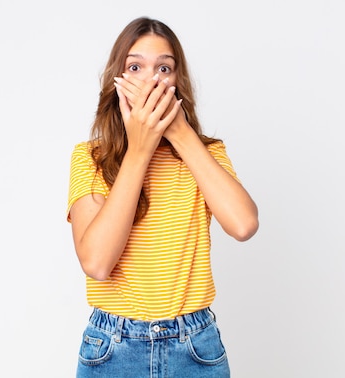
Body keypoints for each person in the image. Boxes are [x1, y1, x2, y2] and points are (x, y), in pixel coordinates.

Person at [67, 16, 259, 378]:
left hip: (195, 345)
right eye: (135, 67)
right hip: (113, 348)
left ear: (177, 81)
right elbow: (96, 263)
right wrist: (139, 150)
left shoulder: (207, 154)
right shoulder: (90, 157)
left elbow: (244, 224)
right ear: (117, 81)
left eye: (164, 68)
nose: (150, 80)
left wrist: (180, 132)